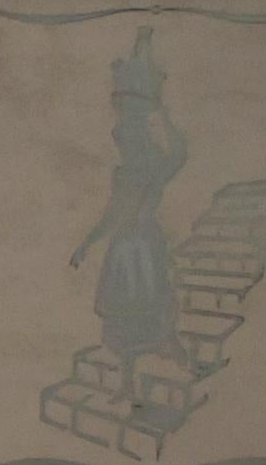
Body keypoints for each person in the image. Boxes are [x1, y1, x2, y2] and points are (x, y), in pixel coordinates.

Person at [72, 27, 186, 360]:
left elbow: (180, 153)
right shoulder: (122, 174)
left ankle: (167, 354)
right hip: (122, 249)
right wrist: (86, 244)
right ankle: (127, 383)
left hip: (144, 246)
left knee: (152, 313)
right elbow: (111, 213)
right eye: (123, 138)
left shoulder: (154, 166)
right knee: (120, 324)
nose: (125, 142)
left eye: (132, 136)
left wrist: (162, 112)